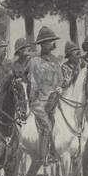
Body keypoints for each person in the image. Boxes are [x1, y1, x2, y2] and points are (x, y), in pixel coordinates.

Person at [28, 26, 64, 165]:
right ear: (42, 44)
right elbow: (33, 82)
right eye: (49, 41)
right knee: (47, 126)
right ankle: (43, 157)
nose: (52, 44)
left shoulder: (55, 61)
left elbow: (60, 79)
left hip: (54, 99)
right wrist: (34, 99)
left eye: (52, 41)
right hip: (39, 101)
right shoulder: (35, 62)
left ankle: (56, 151)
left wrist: (60, 88)